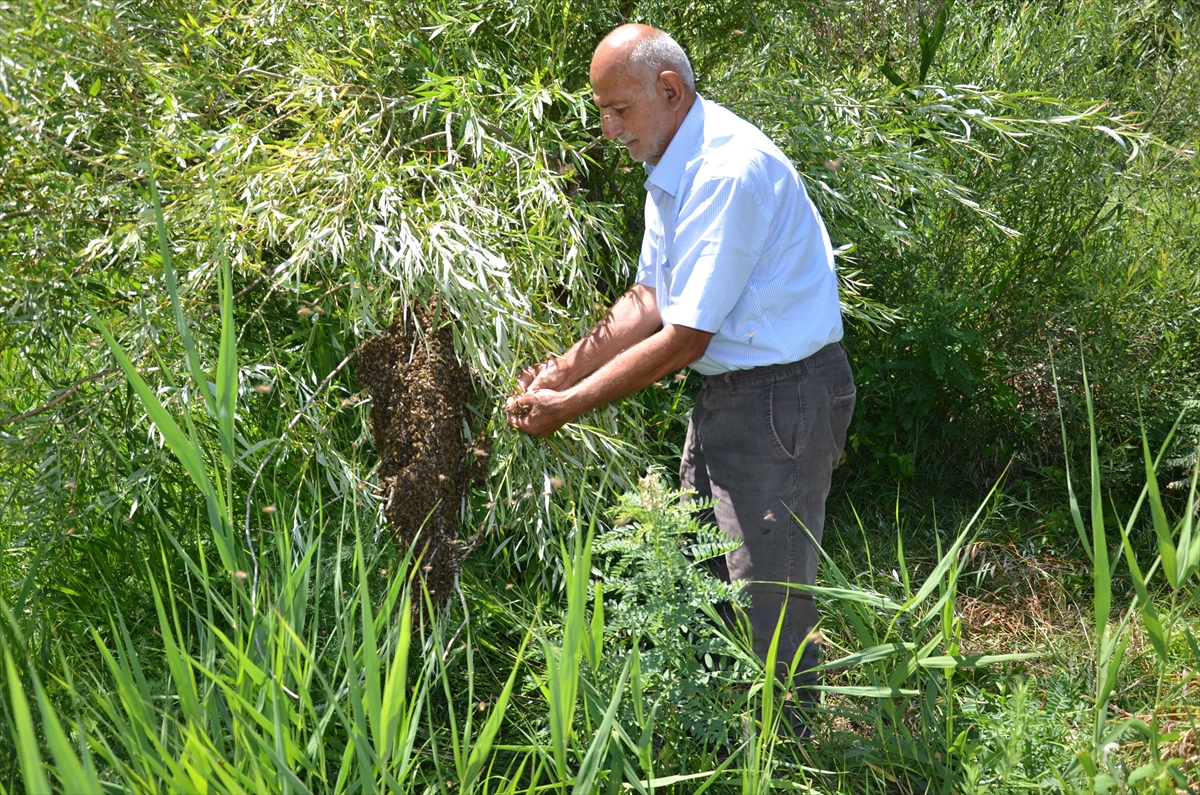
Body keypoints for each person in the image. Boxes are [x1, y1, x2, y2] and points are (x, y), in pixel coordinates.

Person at [505, 23, 855, 733]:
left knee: (769, 601)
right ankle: (732, 740)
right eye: (601, 111)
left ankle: (787, 758)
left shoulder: (725, 170)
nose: (608, 130)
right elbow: (651, 297)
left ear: (670, 90)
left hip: (783, 399)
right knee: (706, 578)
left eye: (618, 109)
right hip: (735, 395)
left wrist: (569, 405)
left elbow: (684, 337)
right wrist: (560, 369)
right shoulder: (672, 161)